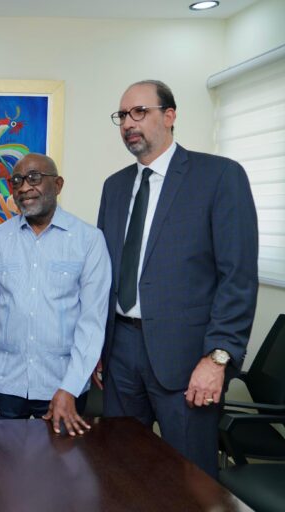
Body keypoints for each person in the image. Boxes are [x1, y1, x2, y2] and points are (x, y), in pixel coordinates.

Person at [96, 80, 258, 477]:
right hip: (120, 354)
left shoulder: (219, 176)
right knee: (120, 470)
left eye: (140, 112)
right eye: (122, 116)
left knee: (189, 478)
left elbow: (237, 277)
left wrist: (217, 358)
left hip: (187, 360)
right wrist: (96, 347)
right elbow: (104, 274)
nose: (128, 124)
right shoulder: (114, 187)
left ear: (169, 116)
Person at [0, 153, 110, 435]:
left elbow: (91, 323)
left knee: (60, 474)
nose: (24, 187)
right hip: (3, 384)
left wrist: (70, 387)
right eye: (16, 181)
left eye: (34, 178)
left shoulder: (89, 241)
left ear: (58, 184)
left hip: (61, 384)